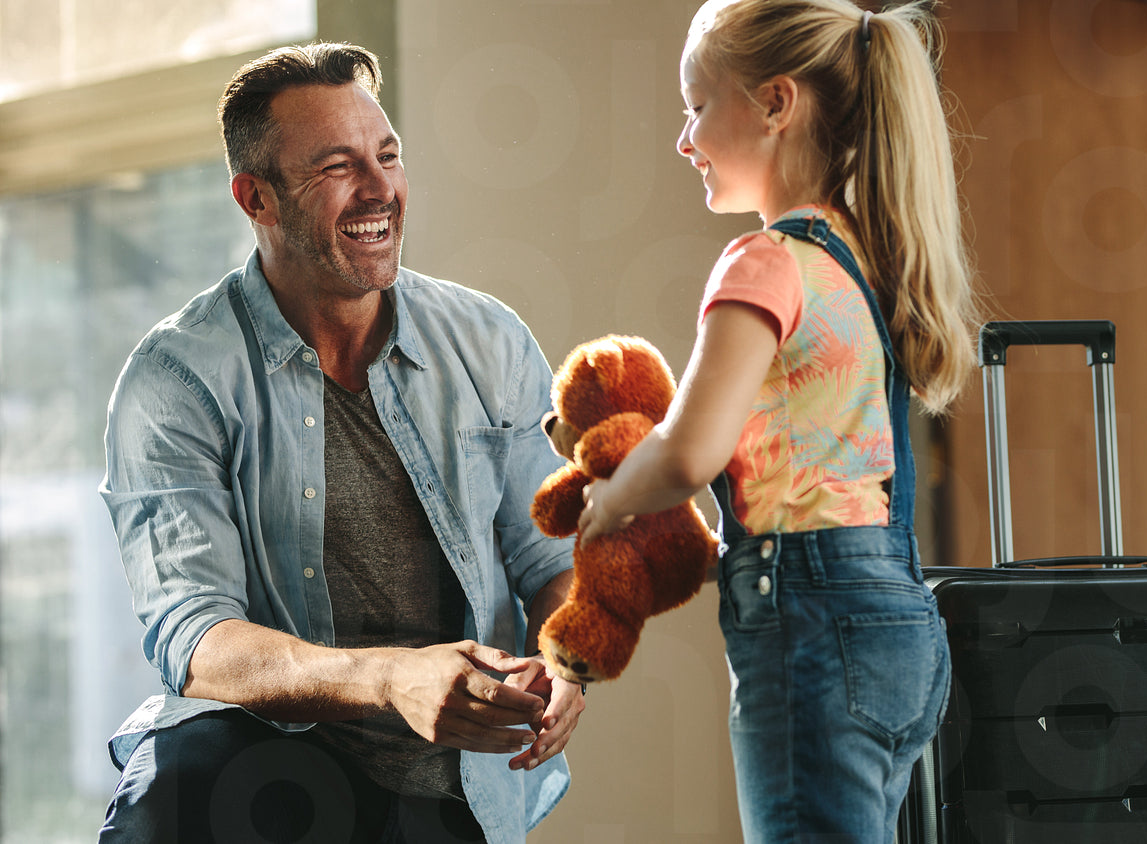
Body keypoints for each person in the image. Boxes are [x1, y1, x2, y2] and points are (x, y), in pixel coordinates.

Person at [97, 43, 583, 843]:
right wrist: (390, 678)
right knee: (172, 790)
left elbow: (553, 559)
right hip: (266, 768)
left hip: (456, 787)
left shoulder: (489, 340)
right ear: (256, 197)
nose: (379, 188)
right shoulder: (176, 379)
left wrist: (566, 664)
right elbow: (196, 637)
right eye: (337, 167)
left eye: (386, 156)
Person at [576, 1, 978, 840]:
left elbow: (688, 452)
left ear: (775, 103)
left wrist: (609, 502)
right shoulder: (860, 260)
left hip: (810, 622)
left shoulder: (763, 263)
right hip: (898, 619)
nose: (683, 140)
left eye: (695, 107)